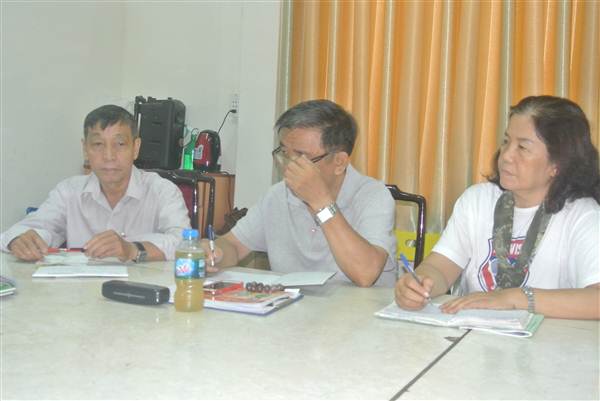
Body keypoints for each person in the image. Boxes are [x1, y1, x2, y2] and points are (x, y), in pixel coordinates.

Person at [395, 95, 600, 319]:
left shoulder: (583, 216)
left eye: (522, 147)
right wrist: (419, 284)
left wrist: (515, 299)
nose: (506, 155)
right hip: (470, 333)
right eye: (506, 141)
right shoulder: (477, 200)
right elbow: (440, 267)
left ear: (557, 164)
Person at [205, 99, 397, 287]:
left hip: (359, 308)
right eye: (284, 153)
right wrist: (215, 252)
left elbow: (365, 274)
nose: (288, 167)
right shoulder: (278, 195)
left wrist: (320, 202)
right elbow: (234, 246)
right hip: (293, 306)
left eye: (302, 157)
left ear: (339, 162)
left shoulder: (373, 196)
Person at [0, 105, 190, 262]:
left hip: (144, 293)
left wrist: (132, 249)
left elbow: (186, 244)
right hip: (80, 293)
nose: (109, 156)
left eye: (120, 144)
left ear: (136, 148)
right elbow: (30, 228)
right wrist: (20, 240)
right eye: (98, 144)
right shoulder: (69, 191)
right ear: (85, 149)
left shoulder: (162, 191)